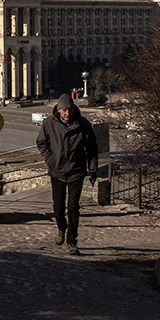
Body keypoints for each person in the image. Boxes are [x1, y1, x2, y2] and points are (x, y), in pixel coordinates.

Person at [35, 92, 99, 255]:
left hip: (76, 171)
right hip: (57, 171)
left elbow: (92, 148)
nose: (67, 114)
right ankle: (61, 227)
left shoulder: (83, 124)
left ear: (73, 108)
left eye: (69, 110)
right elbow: (42, 143)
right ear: (59, 109)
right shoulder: (49, 123)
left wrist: (92, 169)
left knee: (73, 207)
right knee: (58, 208)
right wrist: (50, 160)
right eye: (64, 110)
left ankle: (72, 241)